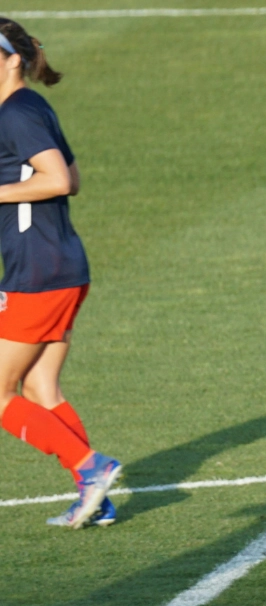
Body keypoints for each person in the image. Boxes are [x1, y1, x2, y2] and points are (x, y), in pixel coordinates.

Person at [0, 17, 117, 528]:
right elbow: (73, 174)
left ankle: (91, 468)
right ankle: (98, 498)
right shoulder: (30, 108)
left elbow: (59, 182)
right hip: (62, 264)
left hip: (38, 271)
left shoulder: (14, 114)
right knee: (41, 387)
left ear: (11, 60)